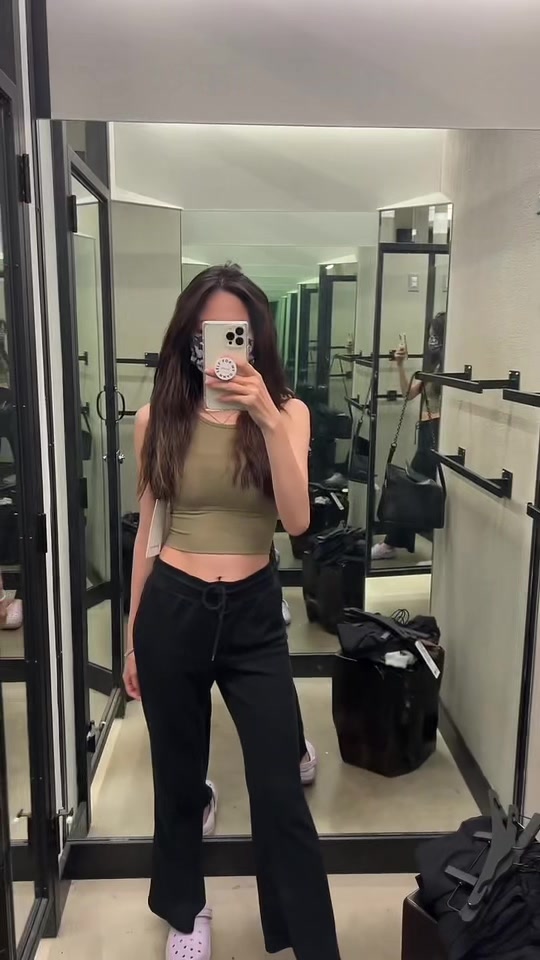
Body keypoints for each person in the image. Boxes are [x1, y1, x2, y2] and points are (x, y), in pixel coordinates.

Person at [123, 264, 340, 960]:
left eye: (234, 330)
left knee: (279, 786)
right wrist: (131, 635)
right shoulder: (158, 419)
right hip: (173, 609)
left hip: (252, 614)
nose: (220, 343)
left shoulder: (288, 413)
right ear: (189, 337)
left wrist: (267, 416)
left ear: (254, 337)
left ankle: (308, 938)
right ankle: (187, 912)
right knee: (177, 776)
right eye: (207, 329)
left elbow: (297, 520)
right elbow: (150, 530)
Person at [372, 311, 445, 561]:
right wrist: (400, 364)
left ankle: (391, 544)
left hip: (439, 431)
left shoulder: (451, 366)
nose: (431, 340)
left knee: (414, 490)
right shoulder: (433, 366)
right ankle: (393, 544)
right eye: (430, 335)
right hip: (427, 432)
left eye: (435, 335)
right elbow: (409, 393)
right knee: (420, 490)